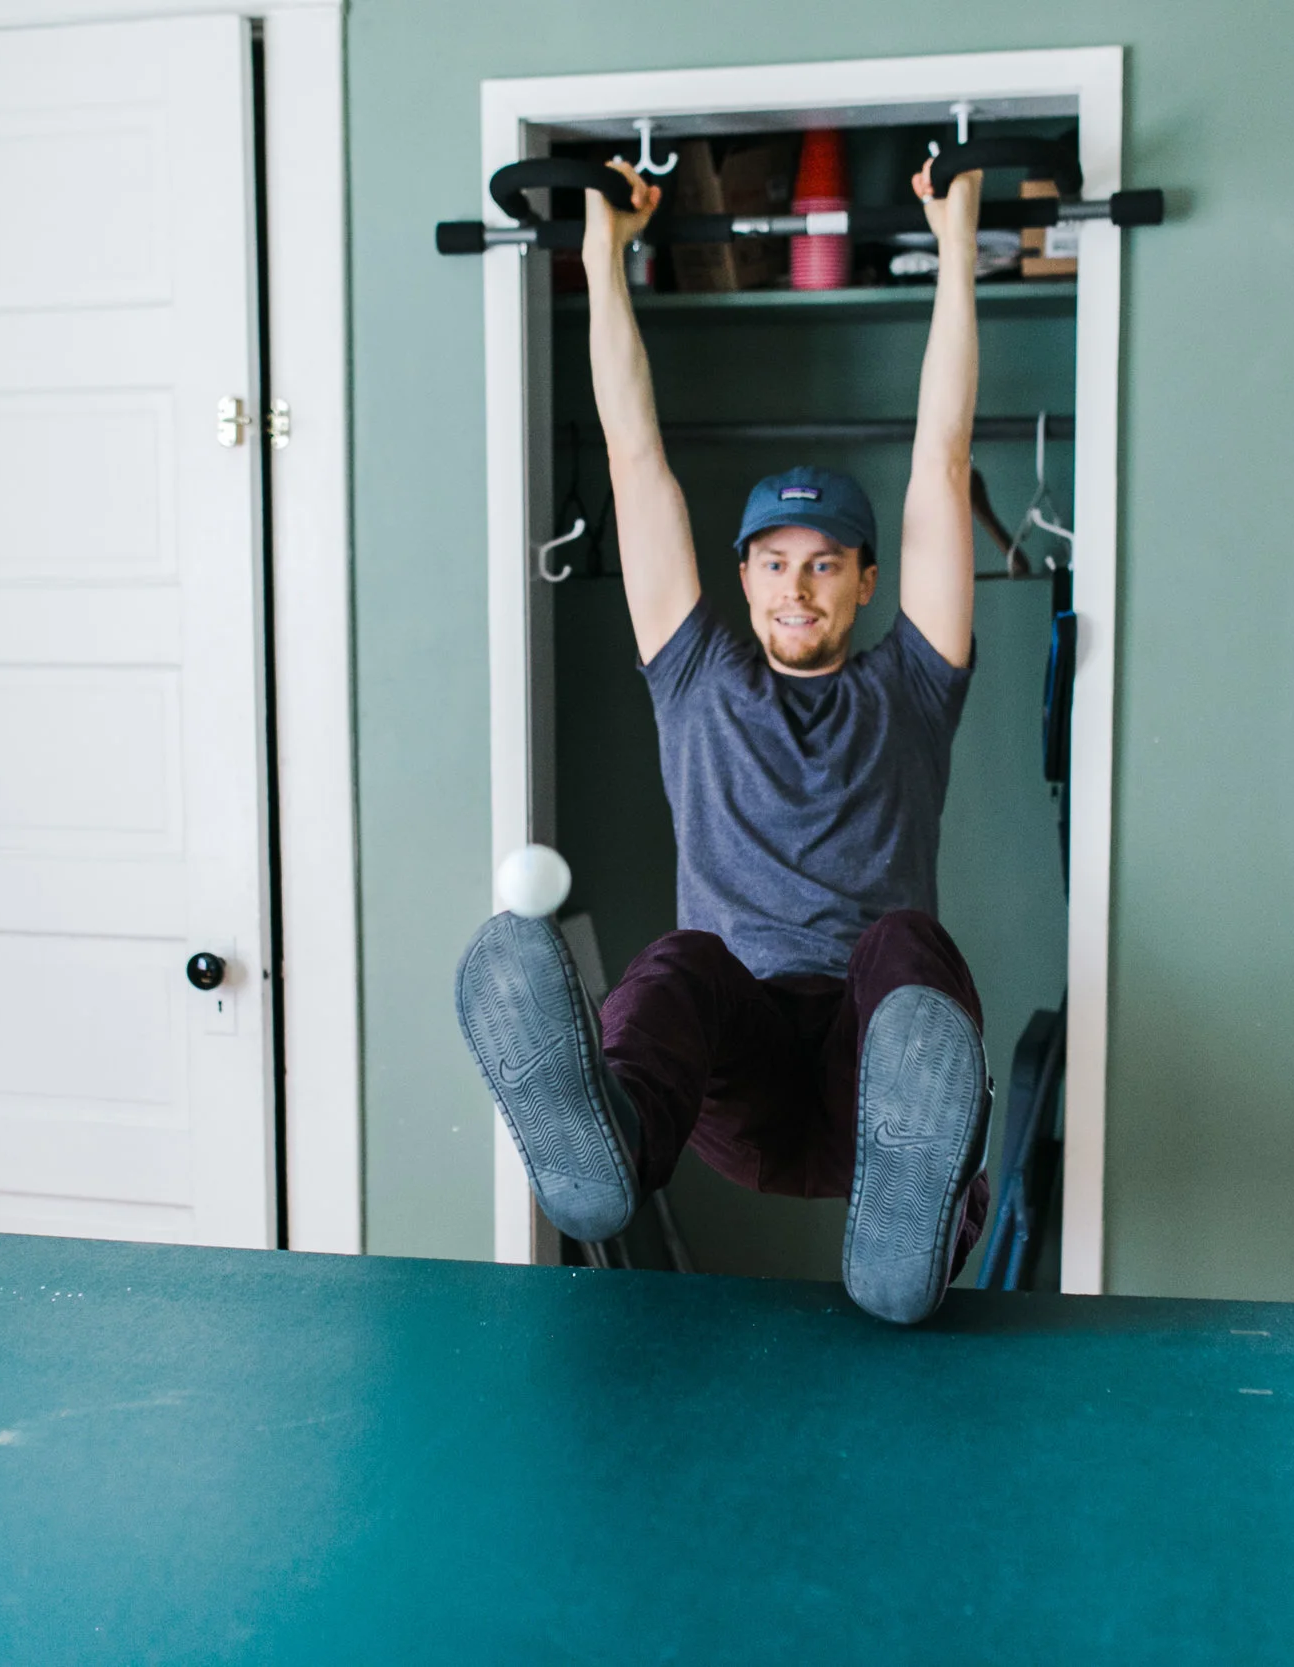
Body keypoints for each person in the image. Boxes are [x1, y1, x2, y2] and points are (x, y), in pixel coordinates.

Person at [456, 151, 990, 1325]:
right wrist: (605, 256)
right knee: (685, 960)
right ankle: (608, 1133)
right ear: (741, 575)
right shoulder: (694, 675)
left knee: (906, 944)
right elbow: (633, 453)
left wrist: (958, 249)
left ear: (864, 582)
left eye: (823, 568)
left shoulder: (914, 683)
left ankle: (915, 1215)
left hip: (875, 1078)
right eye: (773, 566)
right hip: (733, 1071)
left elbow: (940, 461)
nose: (795, 590)